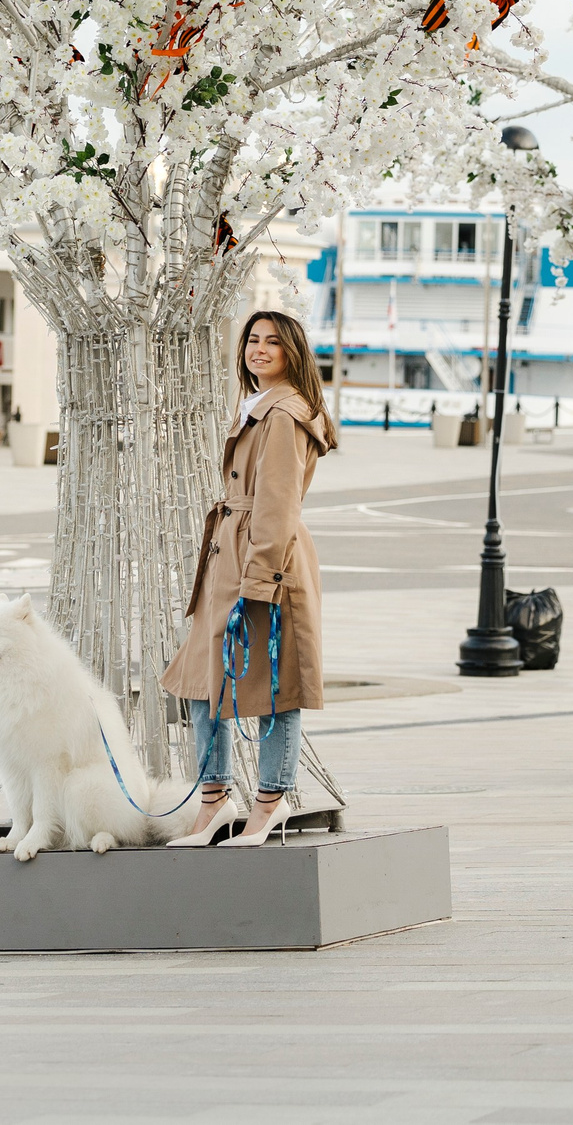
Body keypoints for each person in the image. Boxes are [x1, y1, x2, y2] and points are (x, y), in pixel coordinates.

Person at [163, 308, 337, 847]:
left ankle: (271, 799)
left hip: (265, 565)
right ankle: (214, 801)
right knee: (200, 681)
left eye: (272, 343)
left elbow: (278, 507)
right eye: (252, 340)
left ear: (292, 354)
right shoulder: (258, 406)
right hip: (229, 557)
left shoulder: (283, 415)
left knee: (275, 685)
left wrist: (258, 584)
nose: (258, 350)